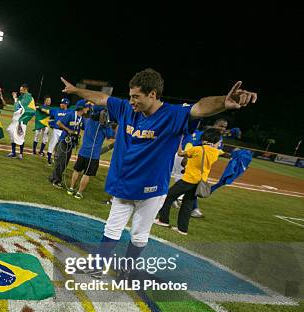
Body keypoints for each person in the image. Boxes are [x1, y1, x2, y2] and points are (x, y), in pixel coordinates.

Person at [61, 69, 256, 278]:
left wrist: (224, 102)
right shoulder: (127, 109)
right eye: (130, 96)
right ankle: (98, 266)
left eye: (136, 96)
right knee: (112, 227)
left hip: (151, 190)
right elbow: (101, 98)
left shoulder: (173, 115)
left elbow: (199, 108)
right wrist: (75, 91)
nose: (131, 101)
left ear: (152, 94)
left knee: (138, 233)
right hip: (123, 183)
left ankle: (127, 270)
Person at [155, 128, 224, 235]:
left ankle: (163, 220)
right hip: (200, 182)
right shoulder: (215, 153)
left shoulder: (197, 149)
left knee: (168, 197)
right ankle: (182, 229)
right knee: (187, 204)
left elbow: (180, 153)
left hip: (189, 180)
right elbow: (220, 150)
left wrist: (179, 141)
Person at [67, 104, 115, 199]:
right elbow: (111, 136)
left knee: (77, 170)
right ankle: (79, 192)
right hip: (93, 155)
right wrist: (109, 125)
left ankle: (71, 188)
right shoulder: (103, 126)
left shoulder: (87, 120)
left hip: (82, 151)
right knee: (87, 174)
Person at [48, 99, 89, 188]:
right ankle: (56, 181)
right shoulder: (71, 114)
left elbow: (85, 128)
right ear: (82, 108)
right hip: (64, 141)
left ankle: (52, 177)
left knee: (64, 162)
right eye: (86, 107)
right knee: (61, 162)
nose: (88, 109)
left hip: (72, 143)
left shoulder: (82, 119)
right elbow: (59, 123)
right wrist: (68, 130)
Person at [6, 83, 35, 159]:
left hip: (22, 120)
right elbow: (17, 106)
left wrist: (15, 98)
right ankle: (13, 152)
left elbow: (19, 107)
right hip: (17, 120)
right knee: (12, 134)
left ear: (25, 89)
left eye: (21, 89)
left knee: (20, 136)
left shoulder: (28, 97)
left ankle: (21, 153)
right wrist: (15, 98)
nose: (20, 91)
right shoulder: (22, 97)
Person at [47, 98, 71, 165]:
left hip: (64, 131)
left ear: (66, 104)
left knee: (60, 146)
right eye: (61, 103)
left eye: (62, 103)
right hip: (56, 130)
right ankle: (49, 159)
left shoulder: (70, 112)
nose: (61, 104)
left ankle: (56, 159)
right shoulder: (56, 110)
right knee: (52, 144)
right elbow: (49, 116)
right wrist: (51, 123)